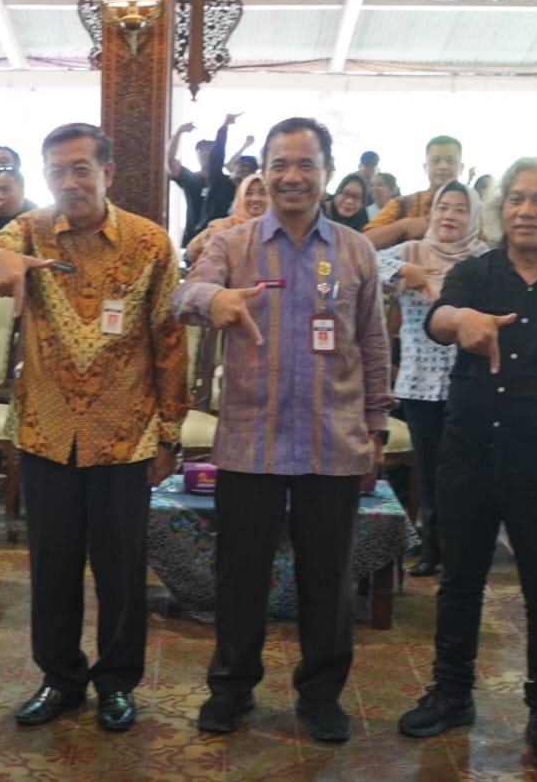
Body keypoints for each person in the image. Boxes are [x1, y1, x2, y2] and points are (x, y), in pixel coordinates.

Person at [396, 156, 537, 771]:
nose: (526, 211)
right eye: (517, 199)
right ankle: (451, 693)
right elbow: (439, 320)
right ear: (502, 211)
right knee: (459, 582)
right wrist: (460, 318)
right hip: (466, 455)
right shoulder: (475, 273)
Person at [174, 117, 392, 744]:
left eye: (306, 164)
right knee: (240, 578)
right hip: (251, 442)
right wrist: (212, 301)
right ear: (263, 173)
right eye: (280, 165)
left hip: (333, 443)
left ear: (327, 172)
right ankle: (231, 688)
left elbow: (373, 344)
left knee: (327, 581)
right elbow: (182, 296)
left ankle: (321, 695)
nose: (292, 176)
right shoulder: (233, 243)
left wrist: (376, 424)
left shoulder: (356, 250)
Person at [0, 122, 187, 733]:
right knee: (52, 569)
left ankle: (116, 683)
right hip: (47, 432)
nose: (69, 181)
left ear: (107, 173)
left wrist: (169, 433)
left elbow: (169, 342)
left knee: (121, 572)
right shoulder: (31, 229)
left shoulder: (149, 243)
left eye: (81, 169)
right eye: (57, 171)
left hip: (125, 436)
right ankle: (59, 679)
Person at [377, 181, 488, 578]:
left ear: (473, 217)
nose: (449, 216)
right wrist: (404, 271)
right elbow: (358, 262)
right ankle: (431, 549)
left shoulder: (484, 260)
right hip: (419, 382)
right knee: (428, 470)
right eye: (443, 207)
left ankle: (461, 551)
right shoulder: (410, 251)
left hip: (470, 383)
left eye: (460, 209)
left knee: (465, 471)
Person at [364, 135, 465, 249]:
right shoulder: (402, 204)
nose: (443, 166)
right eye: (435, 161)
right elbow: (362, 242)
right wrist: (403, 226)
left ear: (461, 168)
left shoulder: (474, 210)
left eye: (450, 161)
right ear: (425, 167)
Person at [168, 114, 238, 245]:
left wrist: (225, 126)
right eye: (201, 150)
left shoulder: (226, 182)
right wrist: (179, 131)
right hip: (194, 241)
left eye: (209, 149)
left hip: (222, 241)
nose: (205, 152)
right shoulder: (189, 179)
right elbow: (170, 160)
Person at [184, 173, 266, 266]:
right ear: (240, 196)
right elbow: (192, 252)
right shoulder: (223, 227)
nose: (255, 198)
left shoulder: (276, 230)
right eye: (249, 193)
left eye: (262, 193)